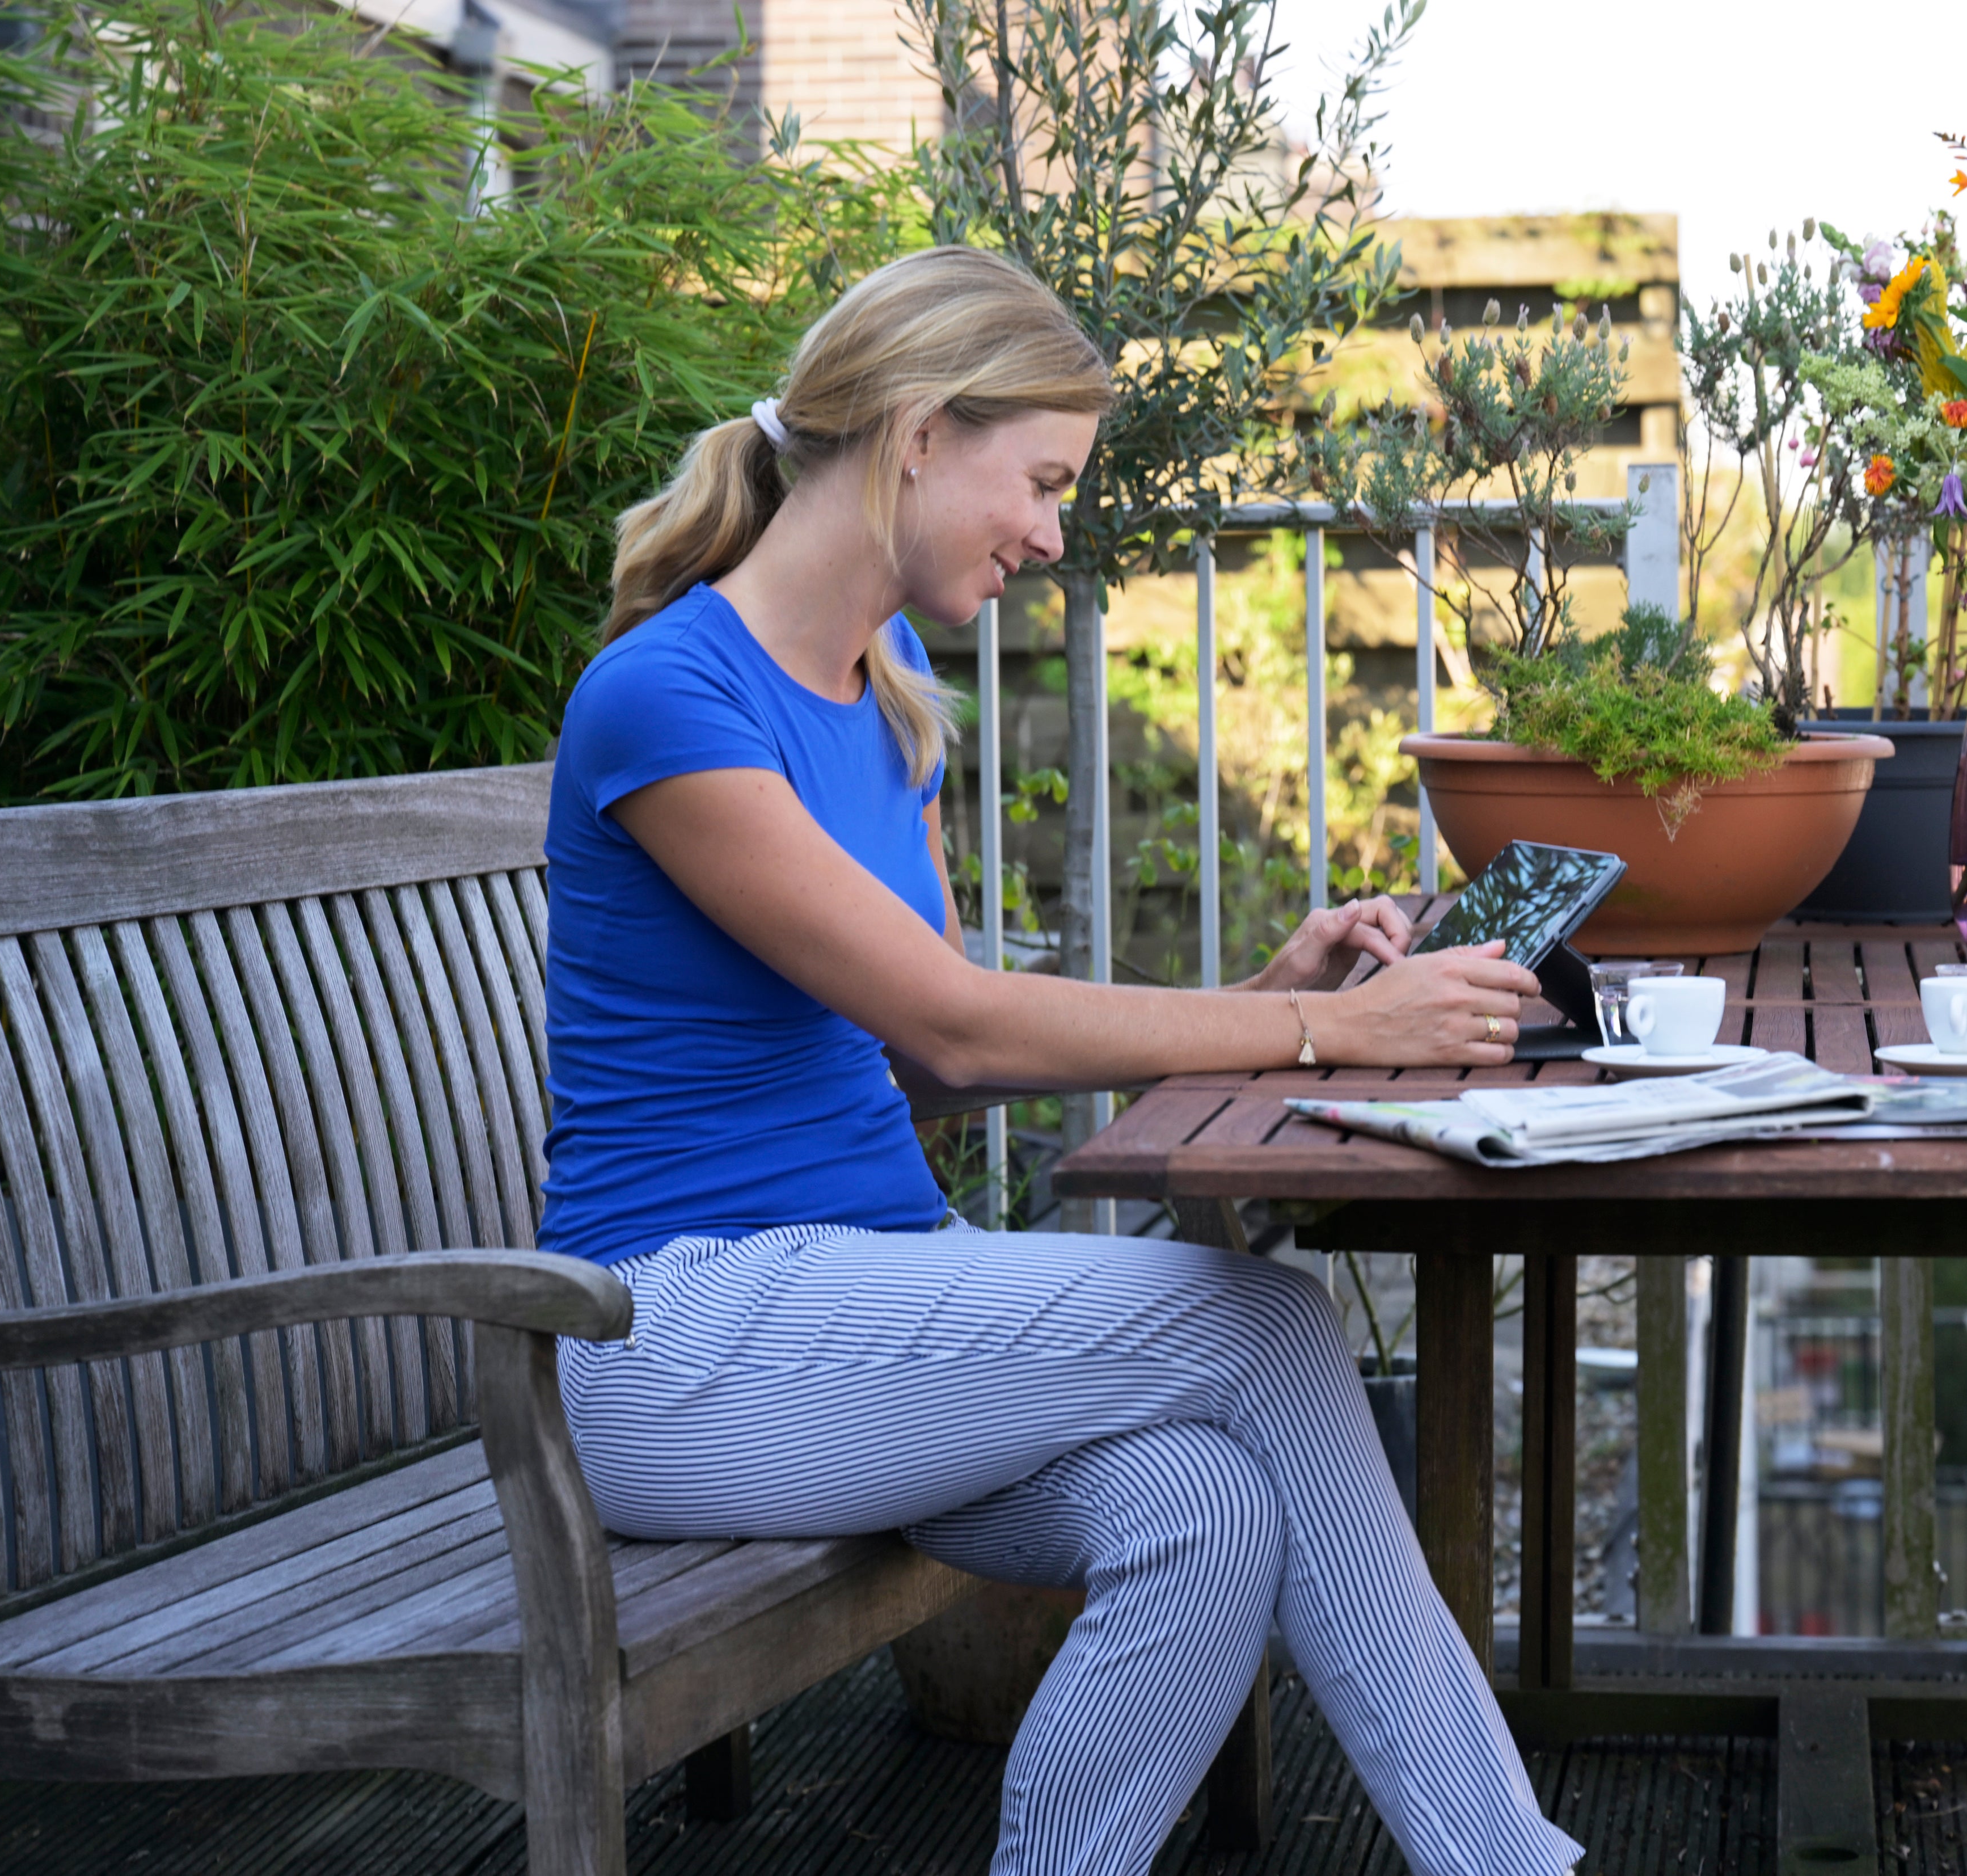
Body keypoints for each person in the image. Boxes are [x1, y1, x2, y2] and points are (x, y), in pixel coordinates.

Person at [542, 244, 1578, 1876]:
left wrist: (1266, 989)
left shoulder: (887, 695)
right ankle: (1509, 1862)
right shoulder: (667, 698)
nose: (1049, 533)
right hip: (673, 1342)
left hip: (864, 1304)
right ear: (917, 435)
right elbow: (959, 1021)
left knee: (1204, 1508)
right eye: (1040, 482)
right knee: (1265, 1323)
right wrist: (1324, 1029)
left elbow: (935, 1064)